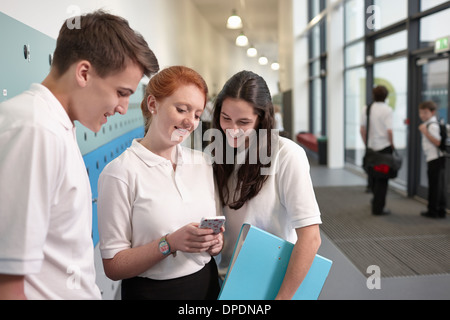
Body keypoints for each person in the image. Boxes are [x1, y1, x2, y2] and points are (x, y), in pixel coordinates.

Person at [0, 10, 159, 300]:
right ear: (83, 73)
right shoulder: (36, 131)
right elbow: (8, 284)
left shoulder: (55, 127)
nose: (124, 107)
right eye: (122, 92)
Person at [97, 66, 223, 300]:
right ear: (153, 104)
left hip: (207, 284)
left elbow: (214, 237)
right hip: (153, 292)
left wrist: (214, 243)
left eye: (197, 115)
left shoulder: (203, 163)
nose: (190, 122)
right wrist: (170, 243)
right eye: (182, 109)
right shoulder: (120, 172)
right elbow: (113, 266)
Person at [211, 70, 322, 300]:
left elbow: (311, 238)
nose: (232, 129)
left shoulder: (287, 155)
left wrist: (282, 298)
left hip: (272, 283)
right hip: (226, 280)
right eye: (225, 118)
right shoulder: (217, 155)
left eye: (243, 122)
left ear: (262, 118)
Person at [360, 85, 394, 215]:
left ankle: (375, 200)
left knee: (373, 174)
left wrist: (366, 144)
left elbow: (362, 130)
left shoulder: (367, 109)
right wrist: (392, 145)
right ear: (386, 96)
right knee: (382, 179)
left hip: (371, 148)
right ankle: (378, 207)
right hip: (384, 149)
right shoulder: (387, 110)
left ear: (373, 95)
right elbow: (389, 131)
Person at [418, 101, 447, 219]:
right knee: (438, 186)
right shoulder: (431, 123)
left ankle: (433, 211)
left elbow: (438, 142)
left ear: (432, 112)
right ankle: (439, 210)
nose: (422, 115)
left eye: (425, 112)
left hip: (435, 159)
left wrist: (425, 132)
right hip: (435, 158)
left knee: (435, 186)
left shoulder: (432, 125)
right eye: (421, 113)